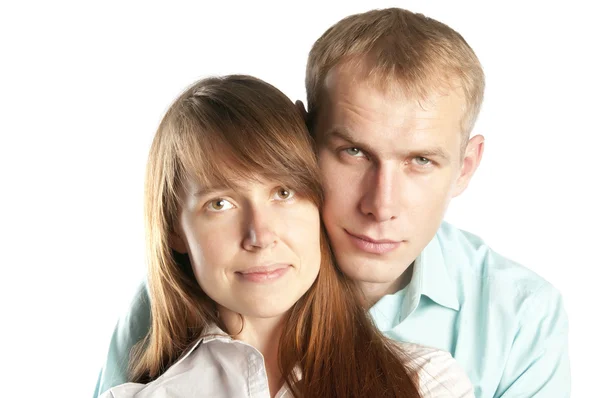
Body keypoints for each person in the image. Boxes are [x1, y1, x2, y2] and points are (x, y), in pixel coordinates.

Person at [95, 8, 570, 398]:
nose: (381, 205)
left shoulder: (521, 318)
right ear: (303, 139)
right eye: (354, 152)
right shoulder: (193, 287)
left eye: (421, 161)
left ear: (465, 167)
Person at [99, 74, 473, 398]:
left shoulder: (429, 384)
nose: (260, 236)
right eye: (220, 204)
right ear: (175, 232)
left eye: (283, 193)